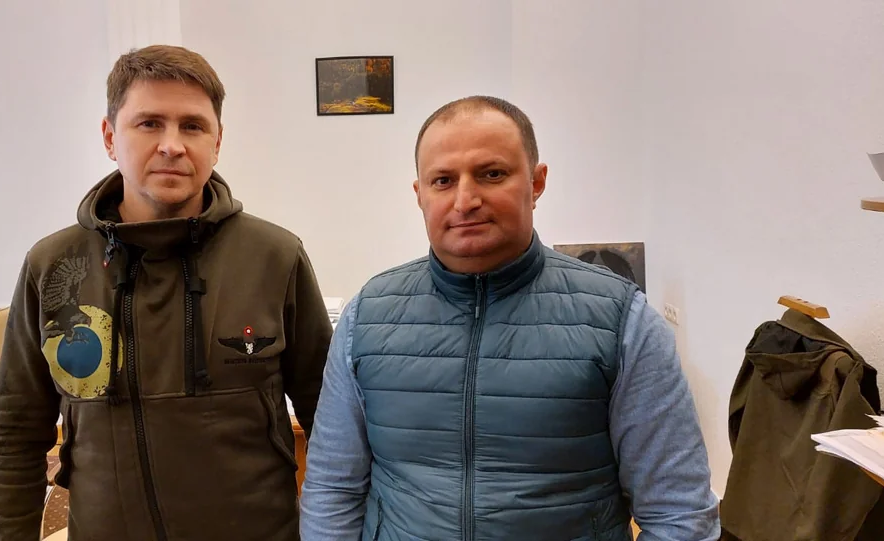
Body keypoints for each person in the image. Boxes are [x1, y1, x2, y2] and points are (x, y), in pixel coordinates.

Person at [299, 96, 720, 541]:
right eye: (443, 180)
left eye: (492, 174)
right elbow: (332, 490)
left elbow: (679, 514)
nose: (465, 200)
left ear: (536, 183)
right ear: (420, 194)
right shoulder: (367, 318)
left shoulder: (621, 321)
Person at [0, 44, 333, 541]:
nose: (172, 145)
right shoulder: (54, 266)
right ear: (110, 137)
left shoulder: (275, 257)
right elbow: (15, 433)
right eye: (149, 123)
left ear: (217, 141)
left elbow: (329, 421)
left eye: (192, 126)